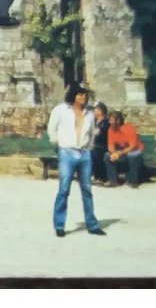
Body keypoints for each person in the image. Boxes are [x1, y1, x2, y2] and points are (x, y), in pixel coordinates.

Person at [45, 83, 105, 238]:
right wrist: (58, 143)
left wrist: (88, 147)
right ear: (73, 95)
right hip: (67, 152)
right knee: (64, 189)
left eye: (85, 94)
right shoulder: (60, 110)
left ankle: (92, 224)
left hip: (84, 153)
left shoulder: (89, 115)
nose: (83, 97)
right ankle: (59, 225)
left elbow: (92, 133)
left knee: (87, 189)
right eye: (80, 94)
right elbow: (52, 128)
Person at [106, 110, 145, 188]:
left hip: (135, 149)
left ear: (118, 121)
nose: (109, 122)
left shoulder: (129, 128)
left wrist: (119, 153)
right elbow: (110, 145)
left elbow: (132, 146)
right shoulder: (110, 130)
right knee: (107, 155)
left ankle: (133, 181)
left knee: (132, 156)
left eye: (111, 120)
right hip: (121, 150)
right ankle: (113, 180)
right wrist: (113, 153)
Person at [89, 102, 111, 185]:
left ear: (100, 111)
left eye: (95, 110)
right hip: (94, 145)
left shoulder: (106, 122)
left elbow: (101, 135)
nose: (93, 112)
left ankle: (98, 176)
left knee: (94, 152)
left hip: (103, 145)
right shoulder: (94, 121)